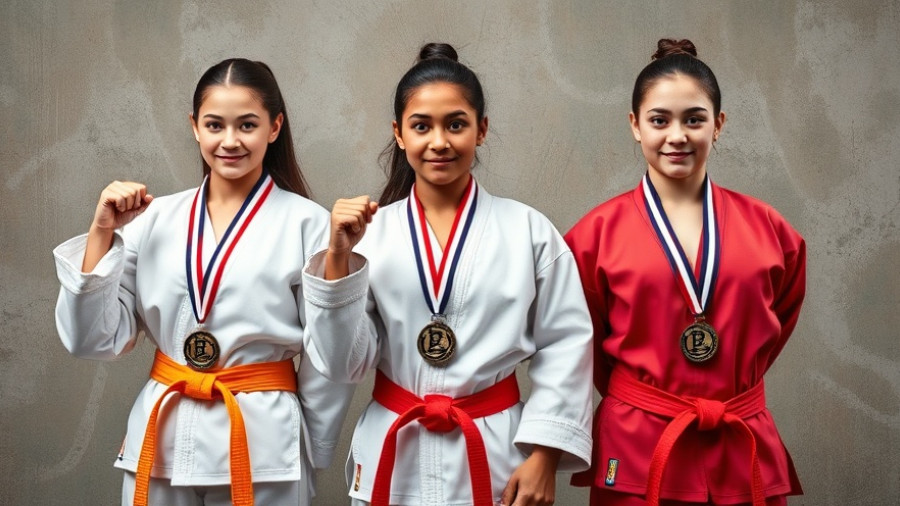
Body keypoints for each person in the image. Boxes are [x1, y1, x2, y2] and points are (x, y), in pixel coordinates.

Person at [301, 43, 594, 506]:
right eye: (422, 126)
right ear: (399, 134)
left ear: (482, 130)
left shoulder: (528, 231)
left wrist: (545, 455)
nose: (439, 142)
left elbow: (567, 342)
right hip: (395, 449)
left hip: (497, 452)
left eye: (456, 124)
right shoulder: (370, 237)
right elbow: (342, 363)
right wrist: (337, 257)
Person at [53, 58, 354, 506]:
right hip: (162, 439)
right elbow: (90, 339)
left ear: (274, 127)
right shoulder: (152, 219)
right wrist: (102, 233)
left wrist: (312, 445)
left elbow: (329, 357)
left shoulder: (310, 225)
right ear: (195, 127)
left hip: (263, 443)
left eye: (247, 125)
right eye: (215, 125)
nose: (229, 141)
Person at [565, 39, 805, 506]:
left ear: (719, 125)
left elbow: (777, 323)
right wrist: (642, 394)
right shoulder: (592, 236)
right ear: (635, 126)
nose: (677, 135)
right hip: (638, 444)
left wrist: (723, 378)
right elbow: (582, 343)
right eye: (660, 120)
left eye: (694, 119)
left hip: (738, 436)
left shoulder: (772, 230)